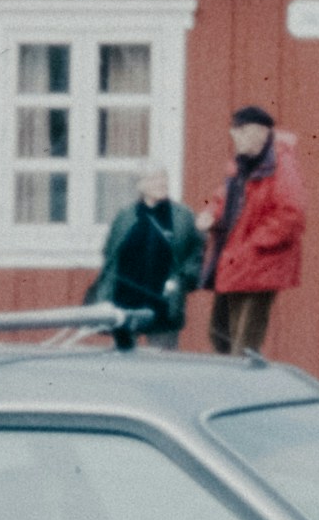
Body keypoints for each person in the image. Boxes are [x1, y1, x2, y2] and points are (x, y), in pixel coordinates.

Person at [204, 106, 305, 357]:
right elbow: (224, 200)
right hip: (235, 261)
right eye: (234, 132)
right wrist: (212, 215)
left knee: (244, 343)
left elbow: (292, 214)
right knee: (219, 334)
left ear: (260, 132)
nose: (235, 138)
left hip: (259, 265)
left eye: (240, 132)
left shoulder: (281, 165)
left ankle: (240, 392)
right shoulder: (242, 165)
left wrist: (253, 244)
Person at [92, 179, 206, 348]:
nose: (162, 183)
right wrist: (106, 295)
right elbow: (110, 256)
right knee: (124, 364)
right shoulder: (125, 216)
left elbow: (197, 254)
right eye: (153, 179)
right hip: (126, 302)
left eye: (163, 177)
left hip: (164, 303)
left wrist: (182, 280)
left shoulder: (183, 216)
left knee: (163, 365)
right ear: (141, 186)